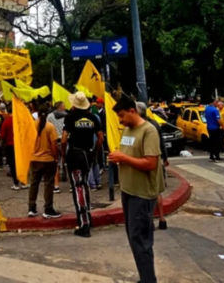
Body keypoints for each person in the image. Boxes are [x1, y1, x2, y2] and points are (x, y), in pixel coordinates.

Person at [108, 94, 162, 283]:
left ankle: (148, 280)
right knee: (134, 238)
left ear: (132, 111)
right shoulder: (127, 130)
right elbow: (128, 154)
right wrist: (117, 156)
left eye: (122, 115)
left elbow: (150, 163)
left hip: (142, 193)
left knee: (141, 240)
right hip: (128, 190)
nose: (120, 120)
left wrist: (123, 158)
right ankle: (145, 278)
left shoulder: (148, 131)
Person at [63, 93, 102, 237]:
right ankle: (88, 218)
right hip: (88, 154)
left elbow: (64, 139)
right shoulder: (93, 117)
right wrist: (94, 152)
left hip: (75, 154)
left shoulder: (70, 117)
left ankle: (84, 224)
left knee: (78, 187)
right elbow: (100, 138)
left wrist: (63, 154)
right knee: (84, 185)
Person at [137, 102, 170, 231]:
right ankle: (162, 219)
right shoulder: (154, 123)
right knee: (156, 190)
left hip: (145, 160)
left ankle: (150, 220)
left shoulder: (141, 126)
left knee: (146, 192)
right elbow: (162, 141)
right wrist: (165, 157)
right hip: (157, 158)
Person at [28, 104, 62, 219]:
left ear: (37, 113)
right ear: (47, 114)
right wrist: (56, 157)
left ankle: (31, 207)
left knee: (34, 183)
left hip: (34, 159)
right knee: (48, 184)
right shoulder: (50, 127)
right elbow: (54, 144)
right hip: (48, 159)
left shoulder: (32, 125)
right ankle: (48, 208)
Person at [0, 107, 23, 190]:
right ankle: (24, 182)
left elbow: (2, 136)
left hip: (10, 145)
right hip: (20, 145)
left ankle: (16, 183)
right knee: (21, 163)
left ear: (8, 112)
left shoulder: (6, 122)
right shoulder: (20, 120)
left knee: (13, 164)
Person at [47, 102, 68, 193]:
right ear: (61, 107)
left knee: (56, 163)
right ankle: (71, 186)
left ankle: (56, 186)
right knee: (68, 162)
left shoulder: (50, 116)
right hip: (66, 141)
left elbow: (47, 128)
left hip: (54, 141)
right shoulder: (68, 116)